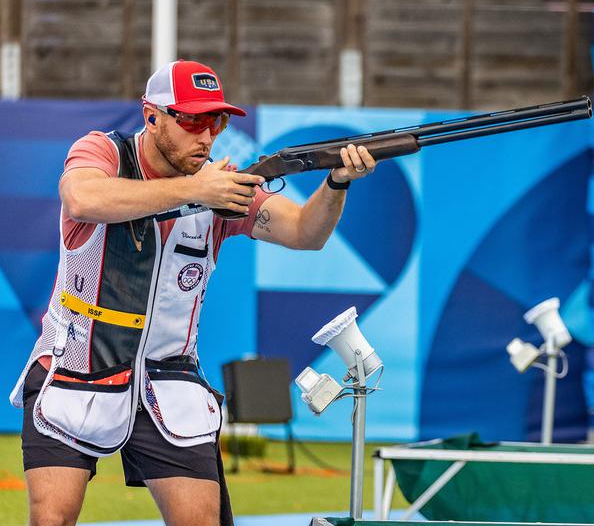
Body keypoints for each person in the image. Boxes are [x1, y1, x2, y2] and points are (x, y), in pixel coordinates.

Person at [8, 59, 377, 526]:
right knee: (51, 519)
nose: (206, 136)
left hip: (170, 379)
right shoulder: (102, 150)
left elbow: (307, 232)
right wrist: (193, 190)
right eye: (193, 119)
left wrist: (336, 182)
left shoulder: (222, 189)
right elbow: (84, 199)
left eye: (216, 121)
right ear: (152, 116)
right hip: (76, 367)